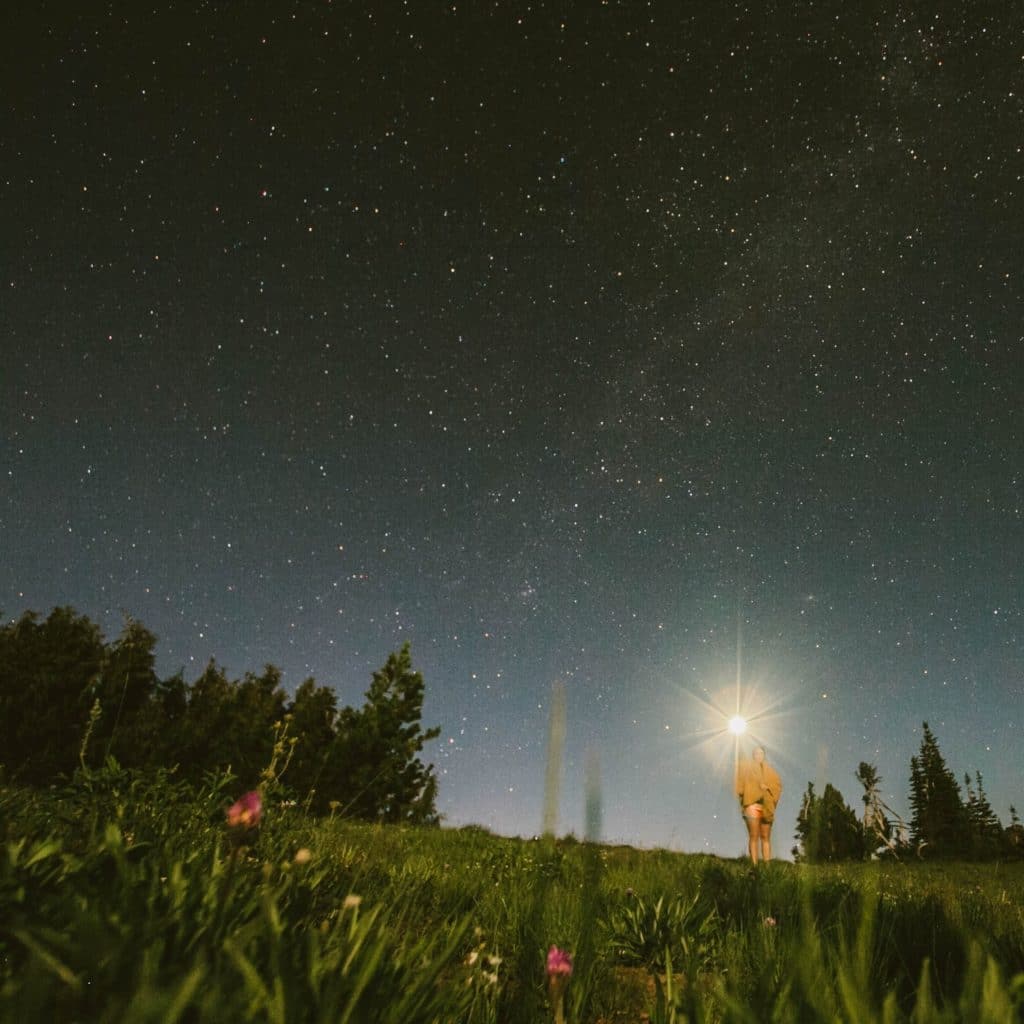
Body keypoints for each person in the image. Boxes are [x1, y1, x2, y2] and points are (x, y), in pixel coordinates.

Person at [735, 746, 782, 864]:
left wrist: (767, 788)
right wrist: (756, 787)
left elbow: (777, 786)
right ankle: (754, 867)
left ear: (764, 755)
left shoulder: (770, 771)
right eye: (756, 753)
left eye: (761, 753)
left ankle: (767, 868)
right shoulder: (747, 768)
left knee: (766, 838)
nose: (758, 755)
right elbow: (740, 785)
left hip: (767, 806)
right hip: (752, 804)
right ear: (753, 755)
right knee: (754, 836)